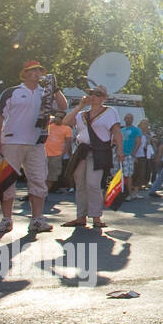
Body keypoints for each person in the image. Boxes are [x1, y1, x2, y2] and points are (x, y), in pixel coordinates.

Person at [0, 61, 67, 234]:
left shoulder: (46, 94)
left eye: (39, 70)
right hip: (12, 141)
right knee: (7, 181)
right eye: (33, 70)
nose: (37, 73)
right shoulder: (12, 92)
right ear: (24, 73)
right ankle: (6, 220)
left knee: (38, 180)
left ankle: (37, 219)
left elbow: (63, 107)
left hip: (36, 143)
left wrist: (55, 89)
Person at [61, 86, 124, 230]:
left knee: (93, 184)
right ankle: (80, 216)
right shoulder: (82, 114)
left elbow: (116, 131)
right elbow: (65, 122)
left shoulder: (110, 112)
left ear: (104, 97)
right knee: (80, 184)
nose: (94, 96)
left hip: (99, 151)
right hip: (82, 150)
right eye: (91, 94)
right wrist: (81, 105)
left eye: (98, 94)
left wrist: (120, 150)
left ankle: (96, 217)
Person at [45, 114, 75, 193]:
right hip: (44, 154)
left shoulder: (67, 128)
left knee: (52, 176)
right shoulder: (49, 126)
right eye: (57, 116)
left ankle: (43, 193)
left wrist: (62, 154)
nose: (58, 118)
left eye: (60, 117)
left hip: (56, 155)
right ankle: (40, 193)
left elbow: (68, 143)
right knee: (40, 175)